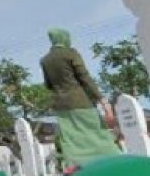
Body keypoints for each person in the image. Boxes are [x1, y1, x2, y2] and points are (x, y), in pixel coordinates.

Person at [40, 28, 121, 168]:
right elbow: (85, 78)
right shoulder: (71, 53)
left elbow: (48, 85)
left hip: (60, 105)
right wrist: (103, 100)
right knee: (97, 133)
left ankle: (77, 167)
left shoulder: (45, 60)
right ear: (64, 38)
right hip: (80, 101)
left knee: (72, 139)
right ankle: (113, 163)